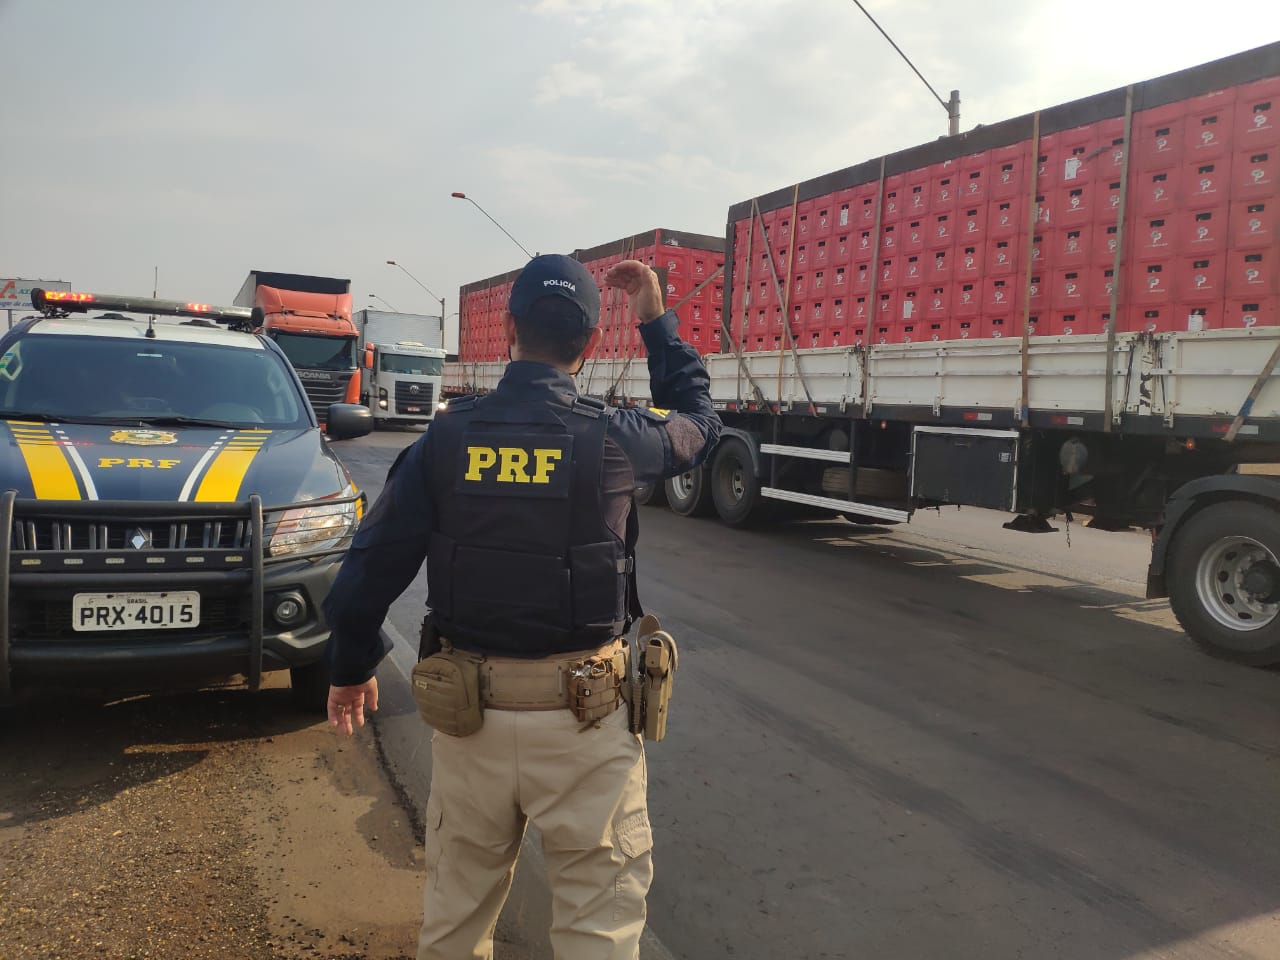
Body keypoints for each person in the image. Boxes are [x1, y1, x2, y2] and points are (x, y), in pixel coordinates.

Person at [323, 254, 721, 960]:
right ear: (591, 344)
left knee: (454, 924)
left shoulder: (445, 439)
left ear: (507, 329)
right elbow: (696, 421)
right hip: (588, 725)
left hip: (469, 722)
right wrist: (656, 319)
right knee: (597, 933)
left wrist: (351, 667)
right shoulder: (619, 438)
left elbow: (369, 567)